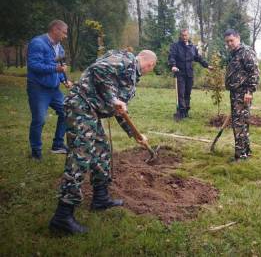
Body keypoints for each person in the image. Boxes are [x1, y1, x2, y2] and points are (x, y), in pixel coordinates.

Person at [49, 49, 157, 234]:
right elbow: (97, 69)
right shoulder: (125, 60)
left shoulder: (130, 74)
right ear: (150, 64)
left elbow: (119, 110)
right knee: (80, 156)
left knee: (102, 151)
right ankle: (62, 216)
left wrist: (135, 134)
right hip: (80, 105)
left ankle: (100, 198)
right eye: (151, 68)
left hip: (90, 111)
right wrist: (113, 98)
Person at [27, 20, 73, 161]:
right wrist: (55, 69)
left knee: (67, 111)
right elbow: (34, 65)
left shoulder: (60, 48)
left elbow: (60, 67)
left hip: (54, 89)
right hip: (38, 89)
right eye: (64, 32)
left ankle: (58, 145)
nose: (65, 36)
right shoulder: (38, 43)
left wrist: (64, 79)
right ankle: (36, 150)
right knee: (39, 119)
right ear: (55, 29)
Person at [224, 29, 260, 162]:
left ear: (238, 38)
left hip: (243, 93)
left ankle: (240, 155)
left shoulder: (246, 52)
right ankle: (246, 151)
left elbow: (255, 72)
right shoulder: (234, 53)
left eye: (231, 40)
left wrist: (250, 91)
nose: (229, 44)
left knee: (239, 123)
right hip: (236, 93)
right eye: (227, 42)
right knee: (242, 122)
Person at [168, 29, 213, 119]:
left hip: (189, 73)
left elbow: (198, 58)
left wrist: (207, 65)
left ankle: (186, 111)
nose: (184, 37)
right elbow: (171, 56)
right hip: (179, 73)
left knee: (187, 93)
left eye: (186, 35)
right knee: (180, 93)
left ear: (189, 36)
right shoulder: (175, 46)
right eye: (183, 35)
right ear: (180, 36)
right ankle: (180, 112)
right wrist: (173, 65)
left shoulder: (193, 47)